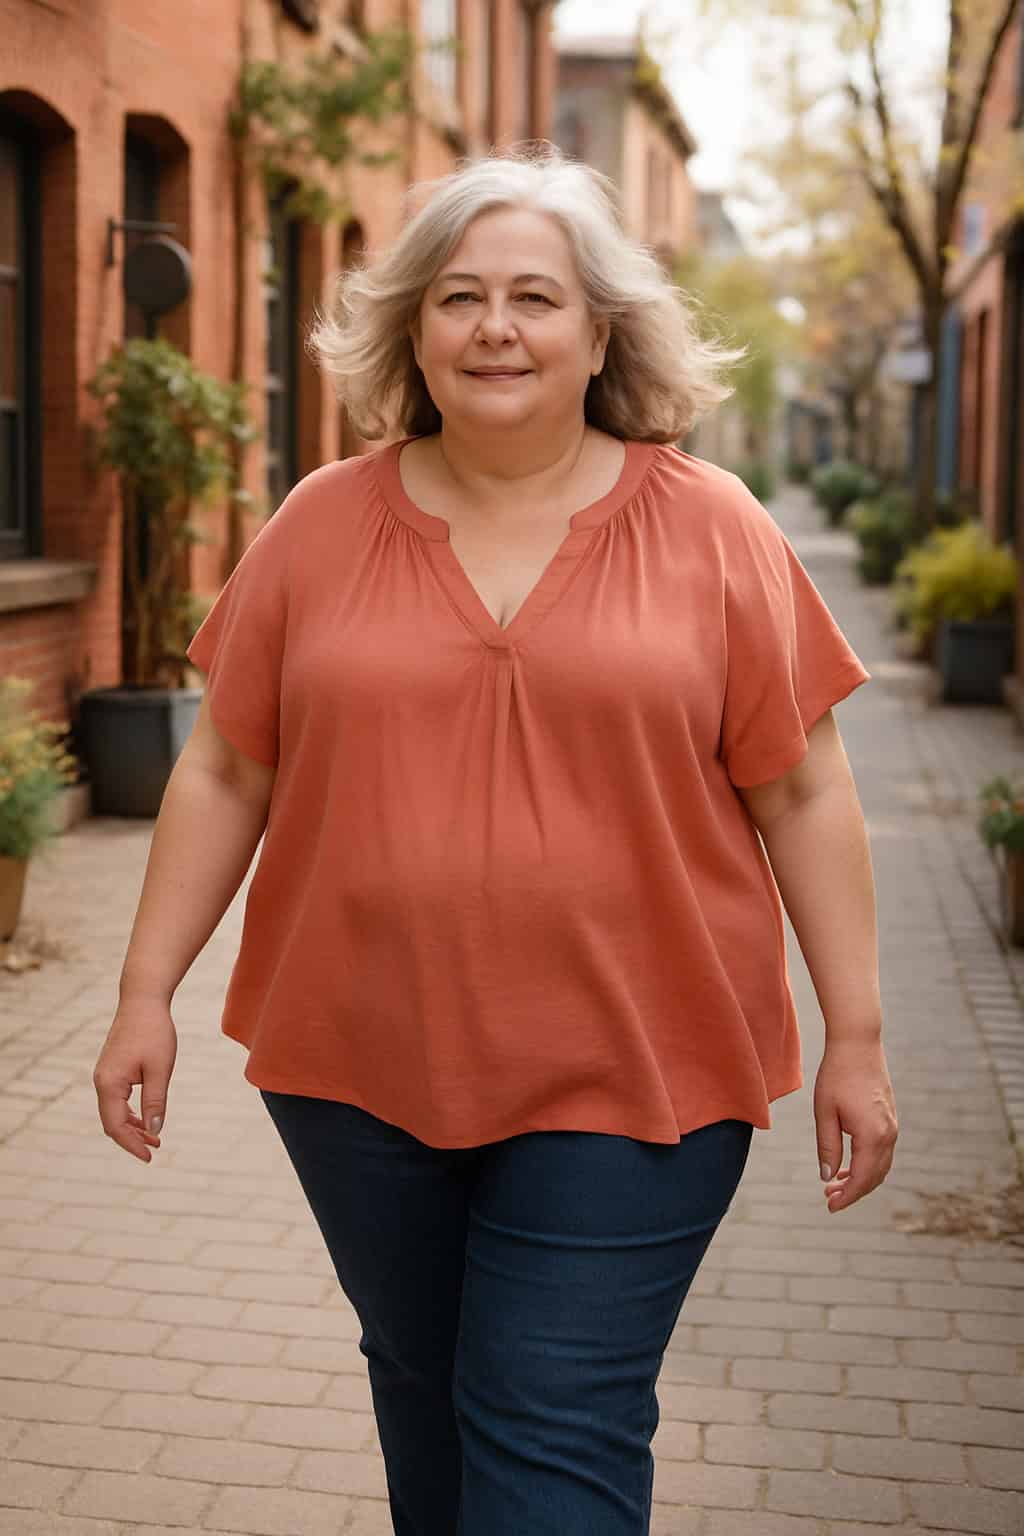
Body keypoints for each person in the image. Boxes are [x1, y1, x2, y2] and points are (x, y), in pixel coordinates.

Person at [93, 144, 898, 1536]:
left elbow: (807, 791)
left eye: (536, 296)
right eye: (460, 297)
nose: (497, 327)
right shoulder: (318, 526)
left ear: (600, 332)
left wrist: (861, 1038)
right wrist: (141, 994)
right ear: (414, 328)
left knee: (548, 1415)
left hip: (640, 1070)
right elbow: (227, 765)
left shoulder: (714, 531)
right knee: (425, 1384)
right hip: (357, 1066)